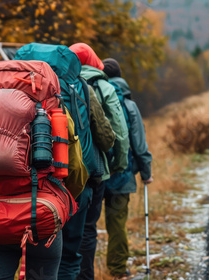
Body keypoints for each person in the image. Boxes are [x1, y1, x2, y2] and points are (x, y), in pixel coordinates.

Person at [68, 43, 130, 280]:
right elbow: (119, 131)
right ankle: (85, 276)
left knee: (62, 229)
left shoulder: (56, 83)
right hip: (94, 170)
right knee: (87, 230)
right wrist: (117, 164)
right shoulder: (103, 86)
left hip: (61, 168)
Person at [101, 58, 153, 279]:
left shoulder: (90, 94)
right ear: (121, 75)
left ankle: (80, 271)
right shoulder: (129, 105)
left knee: (84, 228)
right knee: (117, 223)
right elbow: (139, 143)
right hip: (121, 175)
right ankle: (117, 268)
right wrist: (146, 172)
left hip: (93, 173)